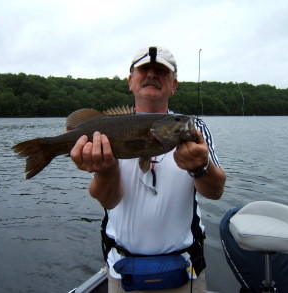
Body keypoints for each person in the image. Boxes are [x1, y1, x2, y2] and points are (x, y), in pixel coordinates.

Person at [70, 46, 226, 292]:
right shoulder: (104, 131)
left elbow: (216, 191)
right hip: (122, 272)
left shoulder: (194, 130)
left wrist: (200, 167)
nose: (152, 75)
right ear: (131, 82)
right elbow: (108, 200)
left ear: (174, 85)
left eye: (161, 71)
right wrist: (106, 171)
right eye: (144, 70)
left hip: (186, 271)